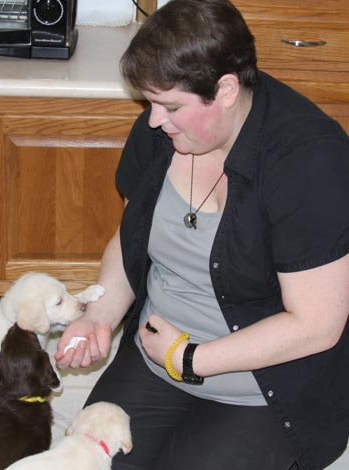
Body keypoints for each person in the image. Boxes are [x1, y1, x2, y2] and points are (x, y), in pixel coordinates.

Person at [55, 1, 349, 469]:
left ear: (227, 90)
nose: (153, 120)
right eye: (150, 103)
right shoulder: (162, 131)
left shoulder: (308, 161)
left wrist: (190, 358)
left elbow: (318, 324)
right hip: (157, 353)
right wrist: (101, 316)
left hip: (260, 387)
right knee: (90, 463)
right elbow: (130, 238)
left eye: (170, 106)